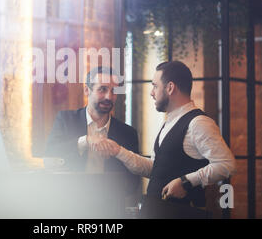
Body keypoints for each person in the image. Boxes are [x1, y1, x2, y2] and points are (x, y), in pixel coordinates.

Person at [95, 61, 236, 217]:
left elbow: (227, 165)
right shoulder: (168, 122)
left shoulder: (198, 123)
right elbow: (156, 169)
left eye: (155, 86)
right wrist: (118, 151)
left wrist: (186, 181)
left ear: (170, 88)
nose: (151, 92)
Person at [43, 66, 140, 195]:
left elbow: (133, 181)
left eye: (114, 90)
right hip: (68, 203)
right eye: (102, 89)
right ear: (86, 90)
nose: (109, 97)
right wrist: (85, 141)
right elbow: (50, 155)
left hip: (110, 207)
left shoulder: (128, 133)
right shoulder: (65, 120)